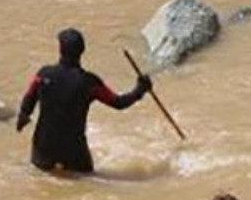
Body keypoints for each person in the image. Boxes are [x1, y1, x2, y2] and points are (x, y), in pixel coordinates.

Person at [16, 27, 151, 173]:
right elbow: (118, 103)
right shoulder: (89, 83)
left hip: (43, 146)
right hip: (73, 149)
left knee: (41, 179)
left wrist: (23, 116)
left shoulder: (43, 75)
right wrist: (140, 90)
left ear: (60, 49)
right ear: (82, 51)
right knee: (86, 182)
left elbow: (29, 98)